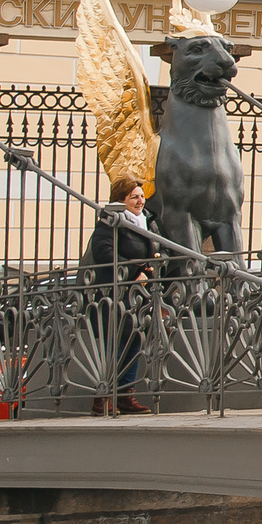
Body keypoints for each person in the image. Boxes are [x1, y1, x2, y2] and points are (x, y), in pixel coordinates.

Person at [79, 176, 159, 415]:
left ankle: (125, 396)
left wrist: (150, 270)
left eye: (142, 196)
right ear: (120, 199)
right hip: (114, 292)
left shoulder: (147, 221)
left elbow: (157, 249)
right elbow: (103, 252)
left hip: (138, 293)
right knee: (116, 344)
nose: (140, 200)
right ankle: (103, 398)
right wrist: (135, 271)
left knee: (134, 340)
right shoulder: (111, 221)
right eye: (134, 196)